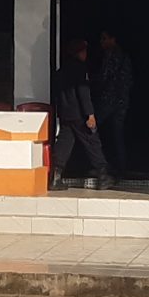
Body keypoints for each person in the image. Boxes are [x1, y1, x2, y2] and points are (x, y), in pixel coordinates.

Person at [49, 38, 113, 190]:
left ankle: (55, 177)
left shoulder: (61, 71)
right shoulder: (80, 70)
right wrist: (90, 114)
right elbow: (83, 93)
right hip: (79, 114)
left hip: (65, 114)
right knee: (92, 142)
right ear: (79, 52)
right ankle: (103, 176)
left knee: (64, 144)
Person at [93, 28, 134, 179]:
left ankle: (99, 165)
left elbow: (104, 77)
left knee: (92, 129)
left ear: (113, 39)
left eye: (104, 38)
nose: (102, 42)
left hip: (108, 100)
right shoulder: (125, 57)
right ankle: (120, 167)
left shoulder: (111, 56)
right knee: (117, 134)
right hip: (122, 100)